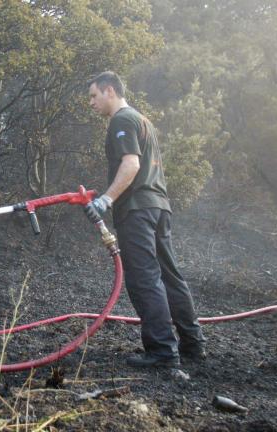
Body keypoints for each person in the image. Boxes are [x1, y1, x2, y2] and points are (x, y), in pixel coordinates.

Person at [84, 71, 206, 368]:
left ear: (109, 90)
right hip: (159, 207)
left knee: (145, 279)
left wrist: (105, 200)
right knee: (169, 276)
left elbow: (131, 164)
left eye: (93, 96)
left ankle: (163, 351)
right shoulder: (143, 120)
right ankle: (193, 344)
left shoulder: (122, 120)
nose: (91, 103)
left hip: (137, 210)